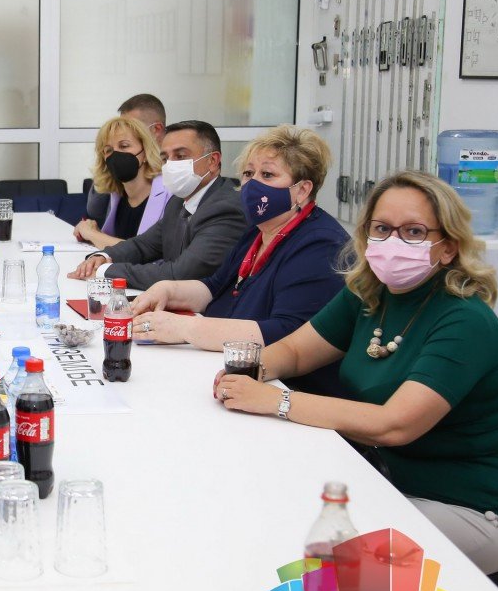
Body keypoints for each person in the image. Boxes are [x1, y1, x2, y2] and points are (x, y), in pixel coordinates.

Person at [215, 171, 498, 575]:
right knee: (265, 504)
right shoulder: (370, 294)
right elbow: (296, 351)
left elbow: (394, 425)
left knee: (316, 557)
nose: (393, 242)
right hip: (384, 480)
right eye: (382, 229)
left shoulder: (464, 320)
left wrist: (276, 400)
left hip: (465, 506)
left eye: (414, 232)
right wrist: (251, 371)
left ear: (449, 247)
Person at [131, 126, 348, 394]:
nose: (252, 184)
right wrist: (168, 290)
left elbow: (286, 333)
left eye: (267, 174)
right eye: (248, 173)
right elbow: (214, 287)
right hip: (226, 367)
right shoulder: (259, 230)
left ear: (302, 190)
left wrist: (187, 329)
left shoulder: (321, 245)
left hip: (282, 387)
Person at [69, 121, 245, 289]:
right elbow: (143, 245)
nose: (170, 165)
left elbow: (179, 274)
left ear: (212, 161)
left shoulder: (226, 209)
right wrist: (104, 256)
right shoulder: (178, 201)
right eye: (165, 158)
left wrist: (106, 271)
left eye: (180, 156)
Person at [75, 115, 168, 250]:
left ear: (145, 152)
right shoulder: (116, 196)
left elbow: (145, 251)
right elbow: (119, 243)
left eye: (124, 146)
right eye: (108, 150)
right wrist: (94, 232)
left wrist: (92, 234)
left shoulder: (169, 195)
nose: (116, 155)